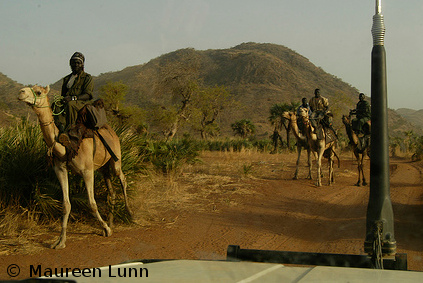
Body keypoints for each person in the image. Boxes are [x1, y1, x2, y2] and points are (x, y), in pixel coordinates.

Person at [53, 52, 93, 134]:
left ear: (82, 64)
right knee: (56, 104)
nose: (76, 65)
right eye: (73, 63)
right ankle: (60, 128)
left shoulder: (87, 78)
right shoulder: (67, 79)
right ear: (70, 64)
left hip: (82, 102)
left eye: (78, 63)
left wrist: (72, 98)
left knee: (70, 104)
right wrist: (63, 99)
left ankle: (71, 129)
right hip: (69, 100)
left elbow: (88, 95)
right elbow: (63, 95)